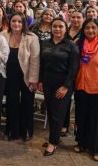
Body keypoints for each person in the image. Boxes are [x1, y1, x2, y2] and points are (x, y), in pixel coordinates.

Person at [38, 18, 79, 156]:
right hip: (48, 83)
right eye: (54, 26)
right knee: (50, 111)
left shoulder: (71, 45)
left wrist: (66, 87)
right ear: (51, 28)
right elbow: (42, 65)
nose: (57, 29)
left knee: (57, 114)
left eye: (60, 26)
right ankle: (54, 137)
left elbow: (74, 69)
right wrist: (40, 80)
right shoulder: (45, 43)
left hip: (63, 84)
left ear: (65, 28)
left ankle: (53, 143)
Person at [2, 12, 40, 141]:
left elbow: (35, 60)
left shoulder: (31, 37)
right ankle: (12, 130)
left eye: (19, 21)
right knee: (11, 103)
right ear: (9, 22)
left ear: (24, 23)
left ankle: (26, 131)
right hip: (9, 75)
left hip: (27, 75)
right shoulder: (3, 35)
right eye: (14, 21)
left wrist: (33, 80)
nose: (16, 24)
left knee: (27, 103)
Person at [74, 18, 98, 162]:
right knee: (81, 116)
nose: (90, 30)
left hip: (96, 87)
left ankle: (95, 147)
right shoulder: (78, 44)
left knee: (95, 119)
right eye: (87, 28)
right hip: (80, 86)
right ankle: (81, 143)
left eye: (93, 28)